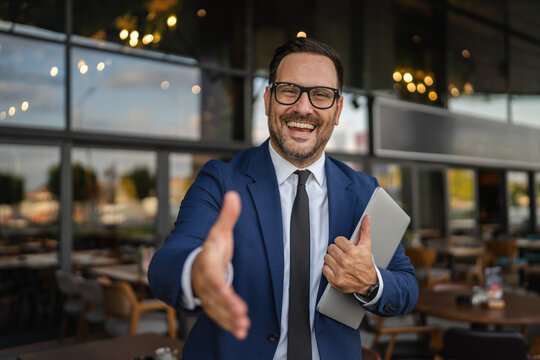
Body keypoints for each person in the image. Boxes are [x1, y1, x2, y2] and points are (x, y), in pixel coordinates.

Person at [148, 37, 418, 359]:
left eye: (321, 95)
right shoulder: (221, 180)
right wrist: (199, 272)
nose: (303, 107)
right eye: (289, 90)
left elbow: (406, 286)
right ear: (267, 99)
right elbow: (169, 261)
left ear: (337, 109)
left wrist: (371, 282)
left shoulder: (363, 191)